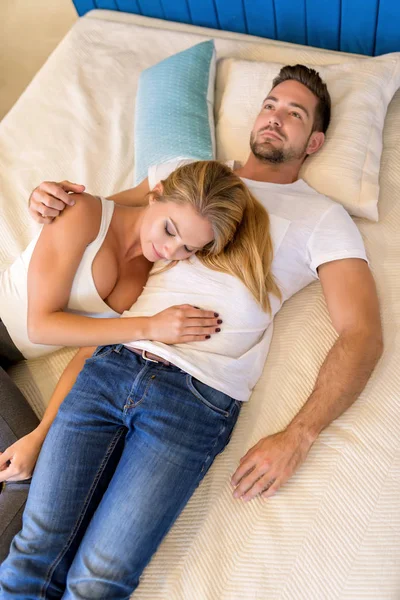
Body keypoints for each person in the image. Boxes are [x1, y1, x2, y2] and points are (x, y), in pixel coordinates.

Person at [0, 65, 383, 597]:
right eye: (270, 104)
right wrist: (48, 199)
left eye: (294, 114)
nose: (275, 118)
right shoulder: (186, 175)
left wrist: (299, 435)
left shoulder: (323, 218)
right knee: (32, 551)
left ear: (314, 140)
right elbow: (101, 218)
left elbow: (362, 334)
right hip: (111, 361)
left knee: (99, 579)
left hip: (196, 400)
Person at [0, 160, 252, 562]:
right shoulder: (85, 214)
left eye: (188, 247)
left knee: (33, 466)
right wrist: (148, 326)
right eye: (169, 229)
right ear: (156, 193)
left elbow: (88, 354)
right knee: (30, 488)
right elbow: (41, 326)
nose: (171, 250)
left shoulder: (148, 275)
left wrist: (42, 434)